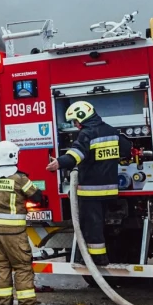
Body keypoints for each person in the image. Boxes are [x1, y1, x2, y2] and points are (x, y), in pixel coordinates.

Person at [46, 100, 123, 266]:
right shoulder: (111, 131)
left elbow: (76, 155)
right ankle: (102, 255)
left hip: (91, 191)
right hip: (111, 190)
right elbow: (126, 149)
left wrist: (58, 163)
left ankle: (96, 258)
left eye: (75, 121)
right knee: (103, 224)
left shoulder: (87, 134)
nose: (75, 124)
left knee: (91, 226)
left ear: (82, 117)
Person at [0, 140, 44, 305]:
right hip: (14, 233)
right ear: (13, 156)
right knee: (22, 266)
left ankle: (5, 304)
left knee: (1, 267)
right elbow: (37, 196)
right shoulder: (19, 178)